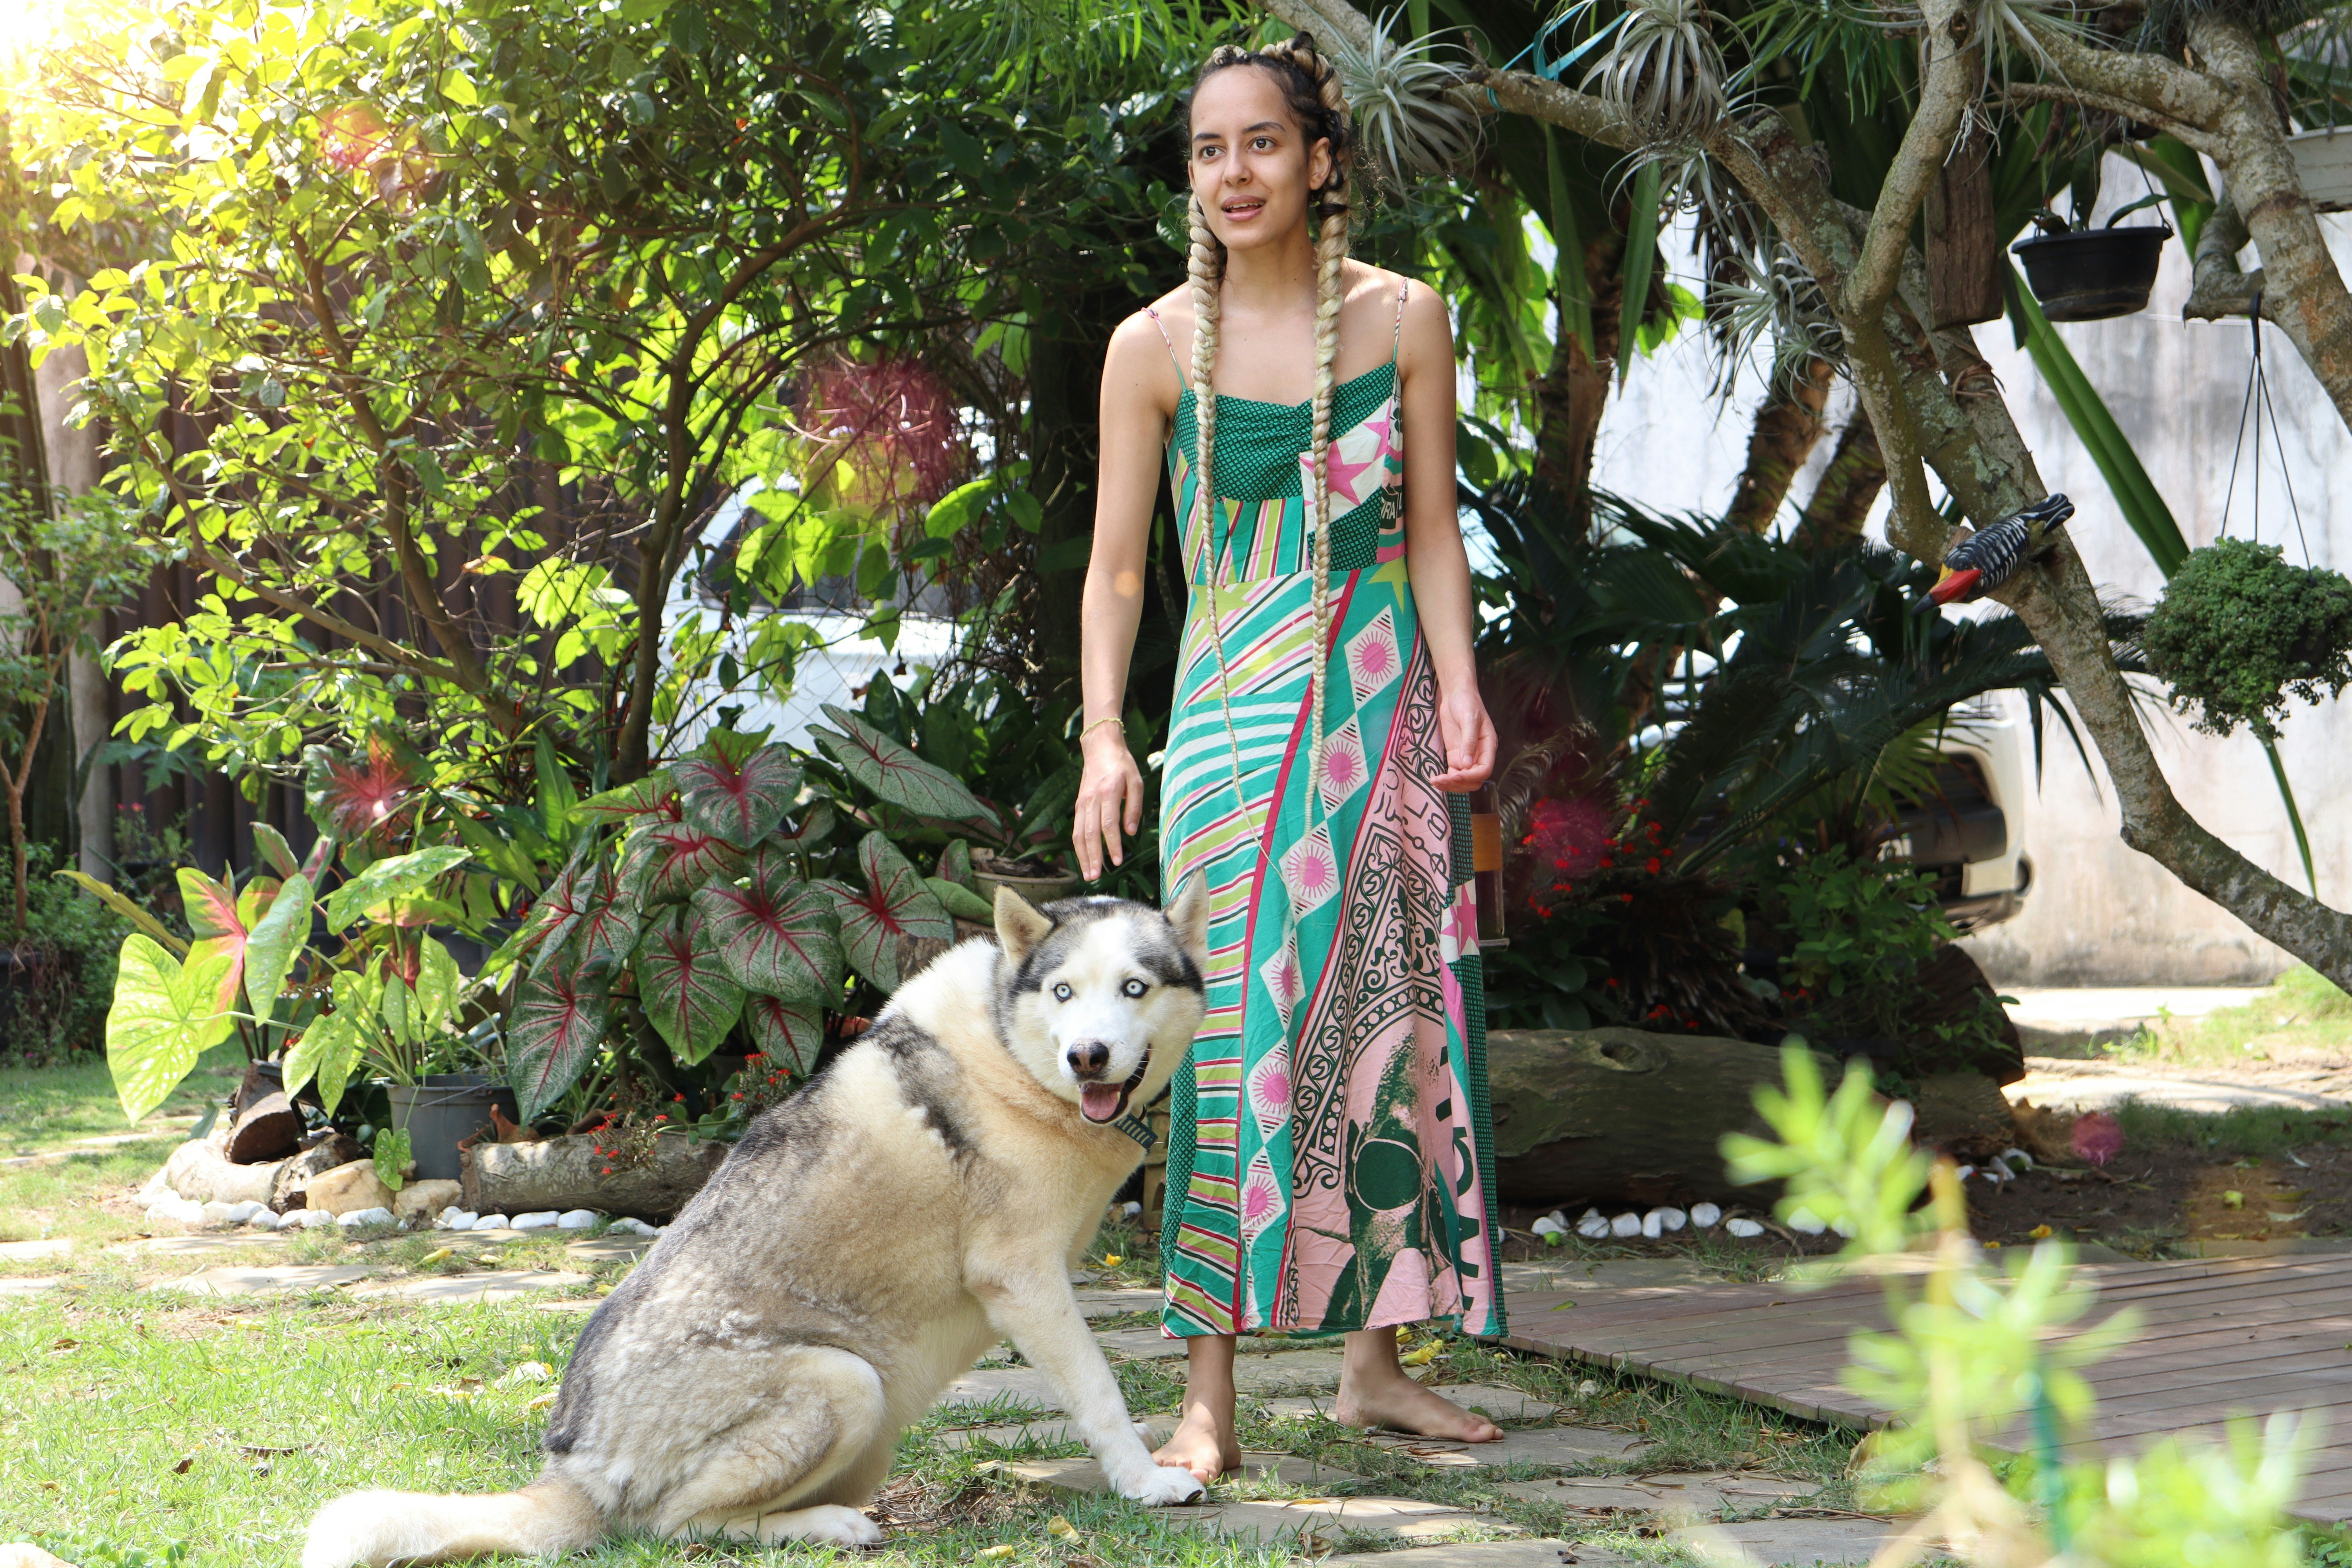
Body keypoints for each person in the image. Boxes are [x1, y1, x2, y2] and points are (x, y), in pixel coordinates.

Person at [1070, 33, 1506, 1484]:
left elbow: (1433, 530)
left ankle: (1374, 1370)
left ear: (1320, 161)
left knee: (1383, 1022)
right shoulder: (1152, 348)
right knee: (1224, 1048)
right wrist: (1100, 737)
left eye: (1260, 143)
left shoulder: (1405, 320)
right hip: (1225, 728)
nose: (1232, 174)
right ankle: (1208, 1395)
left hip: (1375, 716)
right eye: (1208, 151)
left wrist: (1457, 687)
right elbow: (1120, 573)